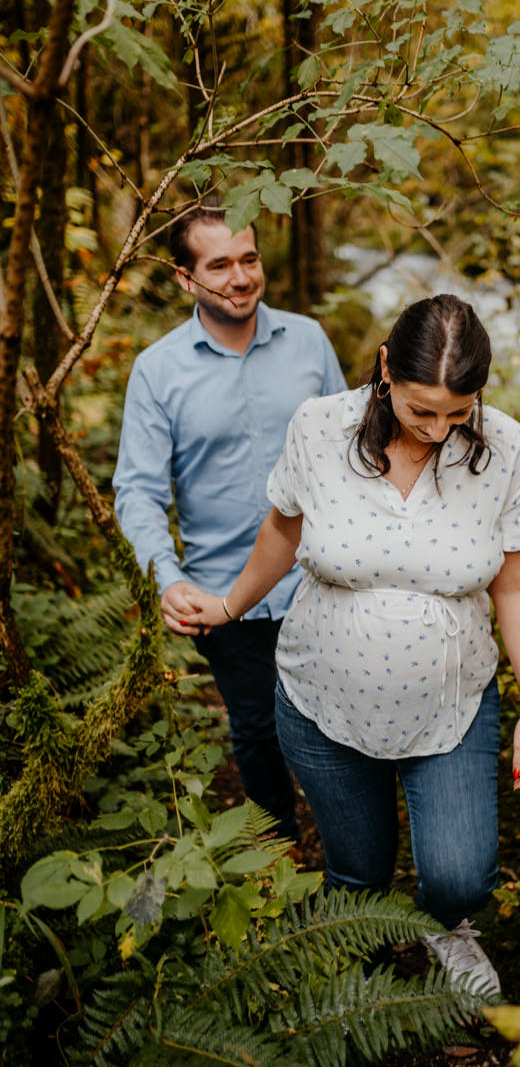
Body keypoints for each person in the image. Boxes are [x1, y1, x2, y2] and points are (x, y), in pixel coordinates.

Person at [167, 294, 520, 994]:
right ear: (384, 369)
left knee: (461, 877)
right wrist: (227, 606)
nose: (438, 430)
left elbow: (519, 581)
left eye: (457, 412)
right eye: (421, 410)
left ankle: (446, 928)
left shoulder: (504, 448)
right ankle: (363, 970)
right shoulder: (319, 428)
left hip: (452, 705)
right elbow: (282, 530)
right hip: (322, 702)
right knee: (357, 868)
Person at [113, 205, 345, 842]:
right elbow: (137, 491)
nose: (240, 277)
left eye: (249, 259)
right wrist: (167, 578)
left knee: (340, 724)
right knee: (257, 729)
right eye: (219, 265)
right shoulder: (157, 370)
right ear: (185, 277)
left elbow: (352, 453)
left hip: (322, 580)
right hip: (225, 596)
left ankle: (355, 862)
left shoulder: (309, 341)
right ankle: (279, 852)